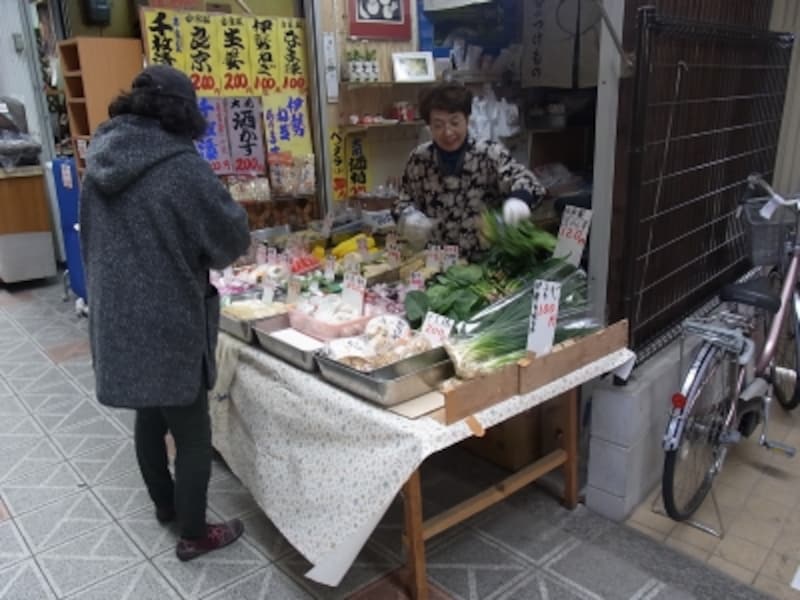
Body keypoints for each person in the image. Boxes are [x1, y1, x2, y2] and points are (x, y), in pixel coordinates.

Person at [79, 65, 251, 562]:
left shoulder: (100, 159)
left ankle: (164, 505)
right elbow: (230, 241)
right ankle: (194, 532)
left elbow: (90, 240)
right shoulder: (182, 166)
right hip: (170, 315)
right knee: (194, 433)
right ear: (182, 113)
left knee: (149, 414)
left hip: (117, 316)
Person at [394, 83, 546, 260]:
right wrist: (407, 219)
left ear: (467, 120)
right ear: (429, 127)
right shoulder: (419, 158)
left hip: (488, 262)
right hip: (438, 263)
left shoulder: (489, 153)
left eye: (454, 122)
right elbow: (402, 202)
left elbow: (527, 181)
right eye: (438, 125)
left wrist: (519, 200)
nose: (448, 132)